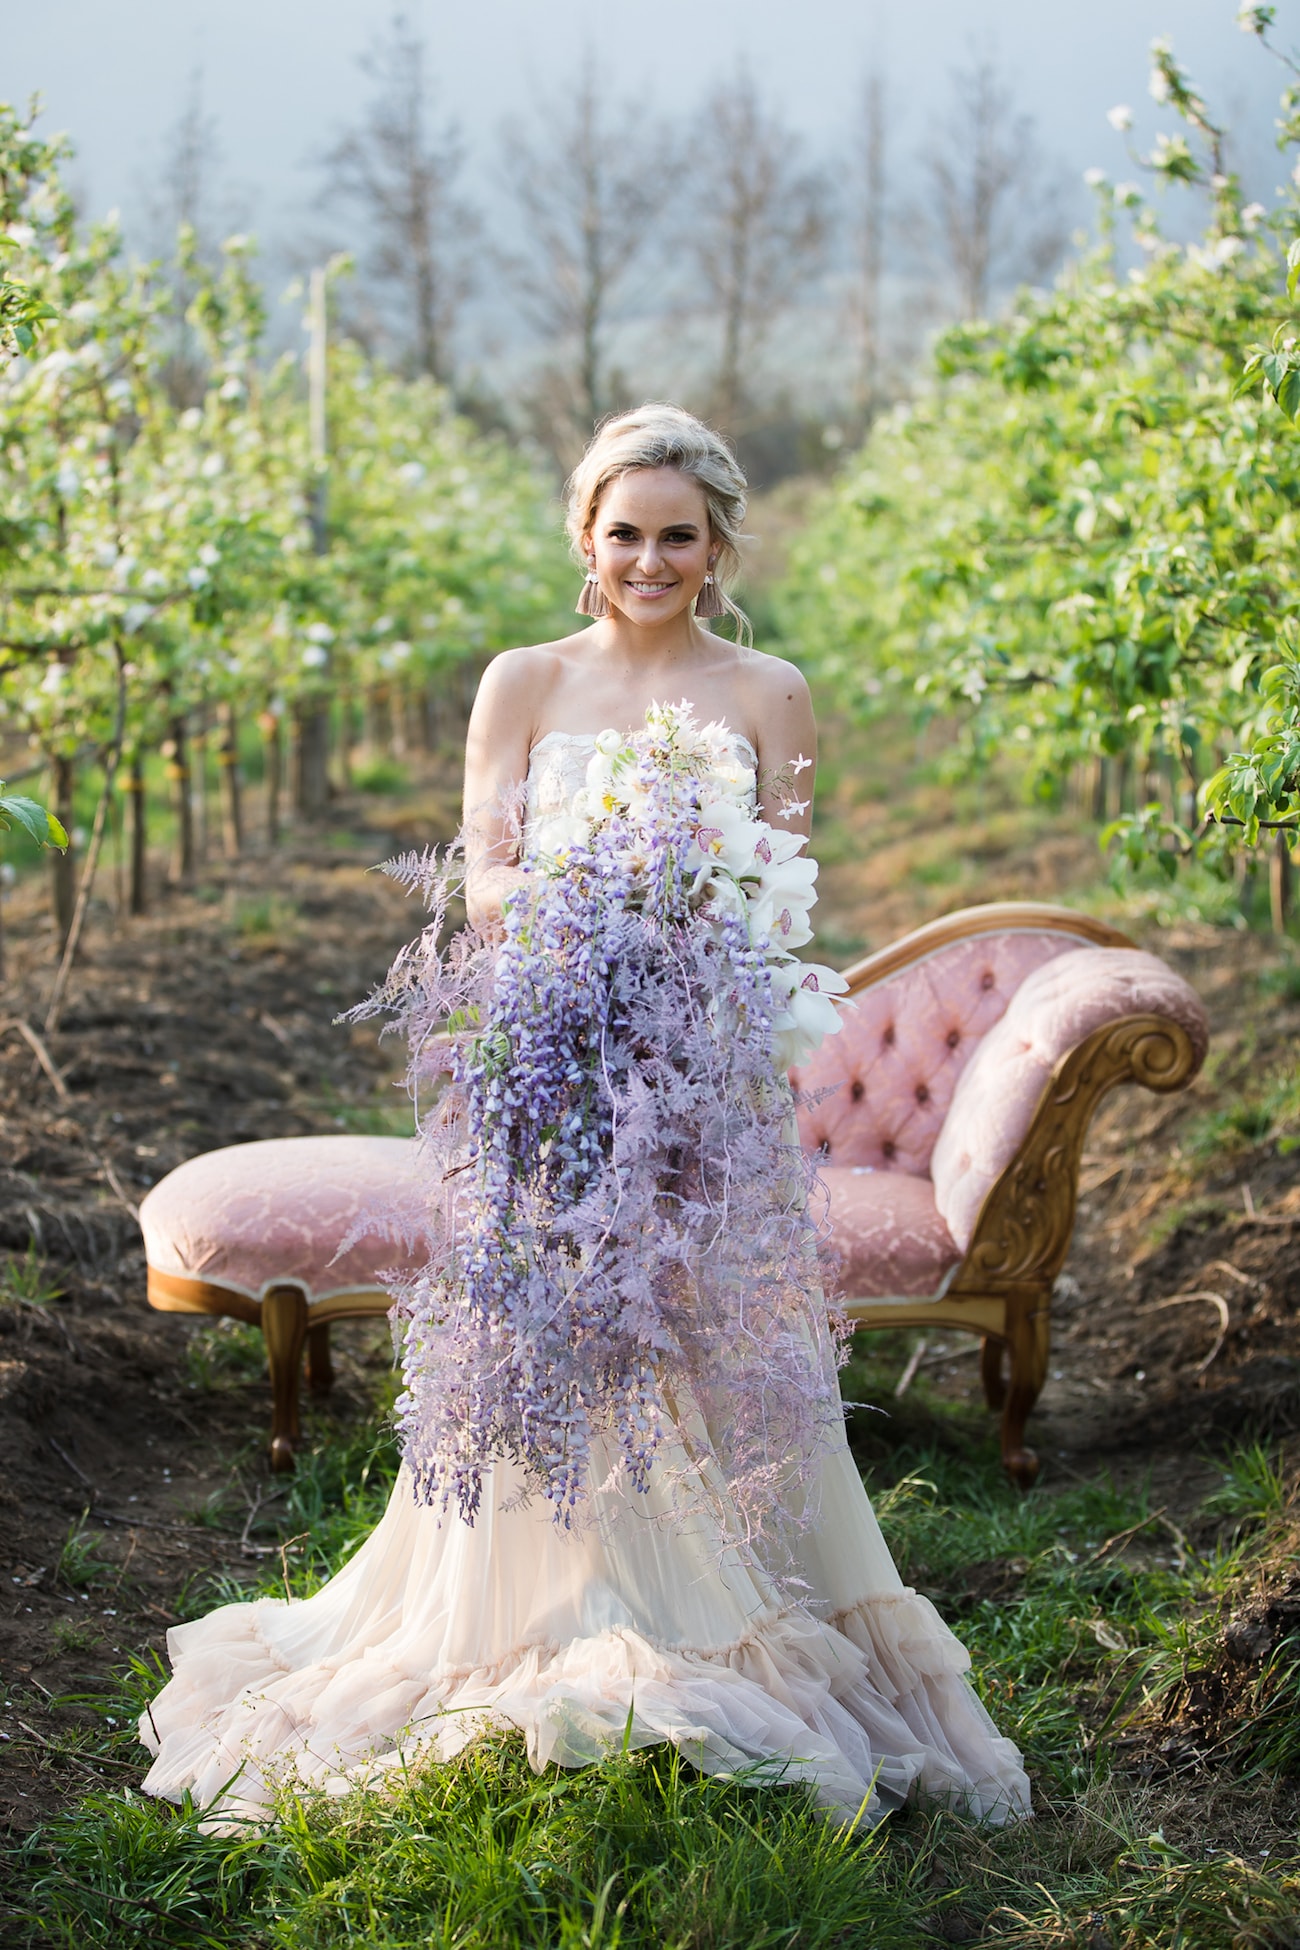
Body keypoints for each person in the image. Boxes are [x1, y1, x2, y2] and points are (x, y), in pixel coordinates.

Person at [140, 403, 1030, 1831]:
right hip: (554, 1051)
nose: (651, 558)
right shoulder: (524, 681)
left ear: (720, 542)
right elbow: (485, 875)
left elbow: (778, 878)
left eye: (680, 535)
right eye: (627, 533)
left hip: (706, 1066)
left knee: (697, 1326)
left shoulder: (770, 689)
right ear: (587, 537)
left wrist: (685, 900)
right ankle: (548, 1603)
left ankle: (726, 1610)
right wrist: (596, 893)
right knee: (558, 1329)